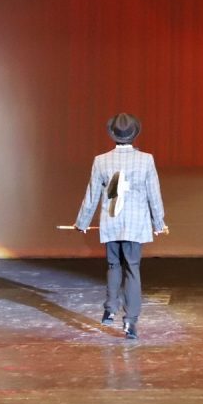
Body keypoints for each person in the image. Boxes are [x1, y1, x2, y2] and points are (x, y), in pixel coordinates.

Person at [75, 113, 168, 340]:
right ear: (134, 135)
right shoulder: (146, 160)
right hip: (136, 224)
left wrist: (82, 222)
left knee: (113, 265)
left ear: (113, 135)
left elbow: (92, 195)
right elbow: (153, 194)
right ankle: (130, 322)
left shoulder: (101, 160)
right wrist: (159, 222)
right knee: (132, 268)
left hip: (112, 222)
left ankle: (110, 308)